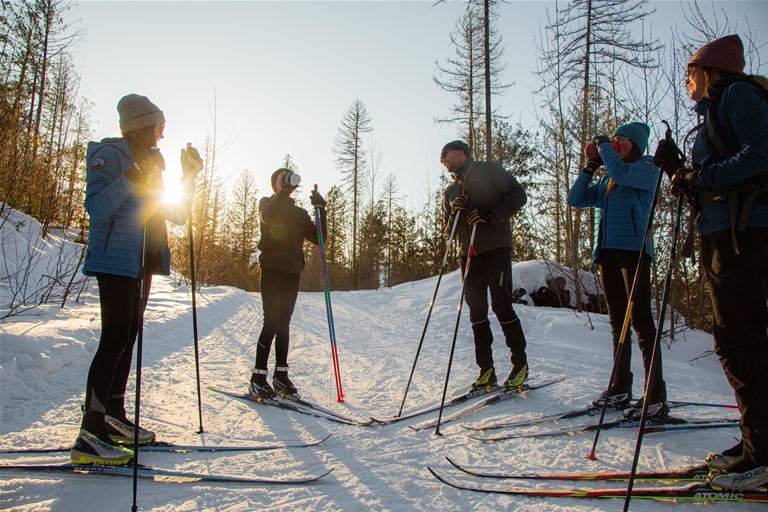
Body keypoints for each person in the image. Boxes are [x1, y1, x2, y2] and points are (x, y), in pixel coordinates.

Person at [655, 34, 768, 491]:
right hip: (728, 231)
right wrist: (679, 171)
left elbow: (760, 153)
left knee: (739, 339)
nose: (686, 83)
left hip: (743, 235)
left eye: (689, 74)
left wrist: (701, 175)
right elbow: (713, 177)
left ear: (708, 71)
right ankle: (755, 443)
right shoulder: (717, 111)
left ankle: (761, 457)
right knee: (740, 338)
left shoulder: (737, 94)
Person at [72, 94, 203, 465]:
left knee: (127, 336)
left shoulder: (151, 163)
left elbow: (175, 215)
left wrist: (188, 177)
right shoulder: (110, 155)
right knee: (114, 337)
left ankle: (112, 417)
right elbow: (96, 208)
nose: (162, 136)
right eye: (160, 127)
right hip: (115, 257)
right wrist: (133, 176)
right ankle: (90, 431)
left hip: (142, 261)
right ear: (141, 125)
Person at [567, 123, 668, 421]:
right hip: (608, 253)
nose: (613, 144)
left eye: (618, 140)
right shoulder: (611, 179)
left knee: (642, 323)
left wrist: (604, 149)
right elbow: (576, 199)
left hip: (634, 251)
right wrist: (591, 166)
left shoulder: (648, 168)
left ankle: (656, 395)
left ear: (633, 144)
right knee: (618, 323)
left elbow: (624, 173)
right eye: (611, 141)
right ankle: (621, 385)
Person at [441, 140, 529, 391]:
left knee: (501, 305)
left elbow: (518, 195)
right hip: (466, 256)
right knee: (476, 312)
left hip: (494, 249)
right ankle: (486, 370)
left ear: (461, 152)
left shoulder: (488, 170)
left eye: (445, 154)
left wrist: (492, 216)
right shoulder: (450, 192)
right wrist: (456, 214)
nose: (442, 160)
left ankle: (520, 365)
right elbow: (447, 232)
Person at [248, 169, 327, 398]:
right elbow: (269, 217)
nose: (288, 181)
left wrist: (321, 210)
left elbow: (320, 238)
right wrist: (282, 192)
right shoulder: (267, 203)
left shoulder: (300, 213)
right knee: (271, 321)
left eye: (290, 178)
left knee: (284, 323)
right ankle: (258, 377)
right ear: (276, 183)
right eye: (284, 177)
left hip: (292, 272)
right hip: (272, 269)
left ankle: (280, 375)